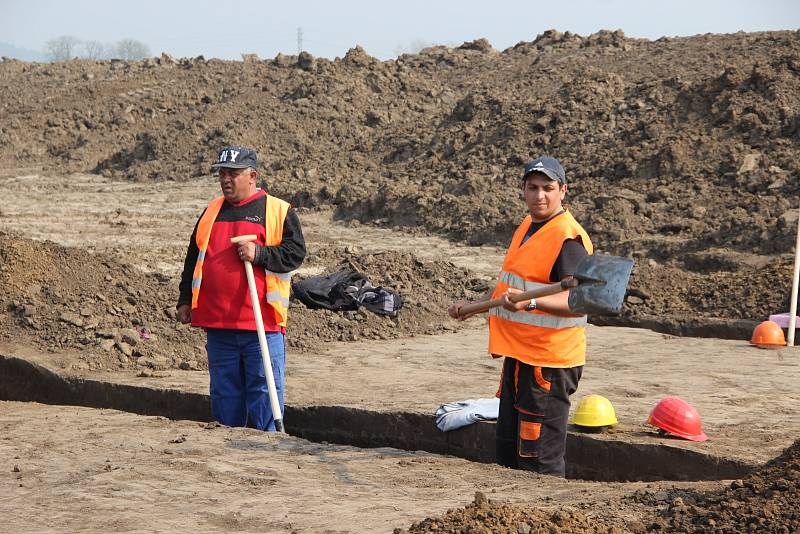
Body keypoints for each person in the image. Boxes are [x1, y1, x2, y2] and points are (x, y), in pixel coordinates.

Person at [448, 156, 592, 477]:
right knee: (509, 453)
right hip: (520, 356)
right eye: (533, 187)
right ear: (523, 189)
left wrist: (530, 305)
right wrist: (477, 305)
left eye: (548, 188)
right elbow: (511, 285)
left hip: (549, 365)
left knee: (538, 459)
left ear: (563, 190)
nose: (539, 195)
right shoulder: (528, 226)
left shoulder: (568, 239)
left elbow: (579, 301)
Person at [177, 145, 306, 431]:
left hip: (262, 325)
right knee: (225, 396)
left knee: (264, 393)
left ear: (252, 175)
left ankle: (267, 453)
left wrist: (259, 254)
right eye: (222, 173)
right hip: (219, 325)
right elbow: (193, 258)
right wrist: (185, 299)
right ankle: (229, 456)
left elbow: (295, 253)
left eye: (233, 173)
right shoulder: (211, 212)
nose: (226, 180)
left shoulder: (276, 211)